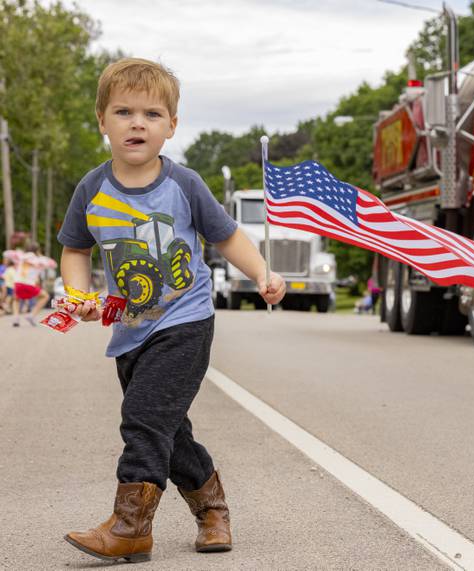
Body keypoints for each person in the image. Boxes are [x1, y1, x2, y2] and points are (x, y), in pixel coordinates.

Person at [57, 58, 286, 564]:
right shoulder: (91, 189)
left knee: (142, 418)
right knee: (167, 427)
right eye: (123, 111)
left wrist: (262, 274)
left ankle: (130, 528)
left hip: (185, 321)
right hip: (129, 331)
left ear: (171, 127)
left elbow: (225, 235)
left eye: (152, 114)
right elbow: (75, 250)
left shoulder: (184, 184)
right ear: (102, 121)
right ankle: (212, 509)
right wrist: (79, 296)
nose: (137, 123)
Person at [5, 242, 55, 326]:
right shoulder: (39, 260)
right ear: (37, 250)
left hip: (18, 283)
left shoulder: (21, 256)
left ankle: (16, 318)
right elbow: (53, 264)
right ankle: (31, 315)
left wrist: (19, 253)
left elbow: (6, 253)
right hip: (29, 284)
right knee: (45, 296)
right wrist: (40, 256)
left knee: (16, 299)